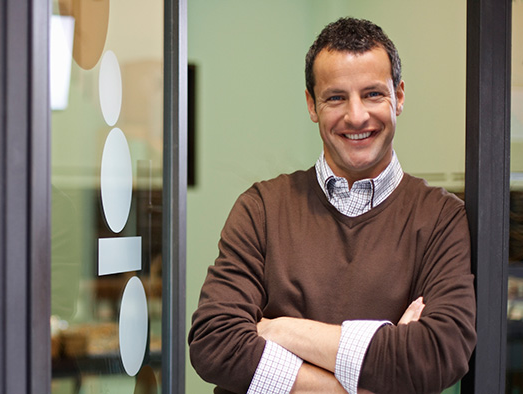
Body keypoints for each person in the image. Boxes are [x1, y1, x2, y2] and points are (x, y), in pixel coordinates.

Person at [188, 17, 476, 394]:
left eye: (373, 94)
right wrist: (364, 382)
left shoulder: (441, 218)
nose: (356, 116)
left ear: (399, 96)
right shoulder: (261, 208)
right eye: (336, 97)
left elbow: (438, 354)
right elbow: (215, 344)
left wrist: (282, 330)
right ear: (312, 104)